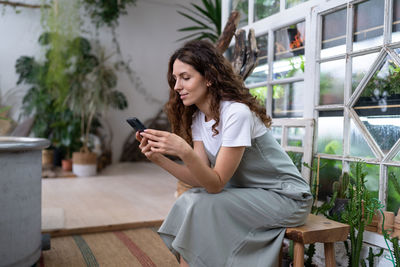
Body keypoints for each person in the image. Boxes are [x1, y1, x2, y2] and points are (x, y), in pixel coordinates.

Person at [136, 40, 312, 267]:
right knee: (188, 200)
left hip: (287, 199)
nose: (177, 86)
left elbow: (216, 184)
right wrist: (158, 158)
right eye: (175, 78)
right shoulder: (199, 118)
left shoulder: (236, 113)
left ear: (208, 78)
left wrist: (183, 150)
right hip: (249, 194)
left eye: (185, 77)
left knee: (203, 206)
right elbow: (201, 180)